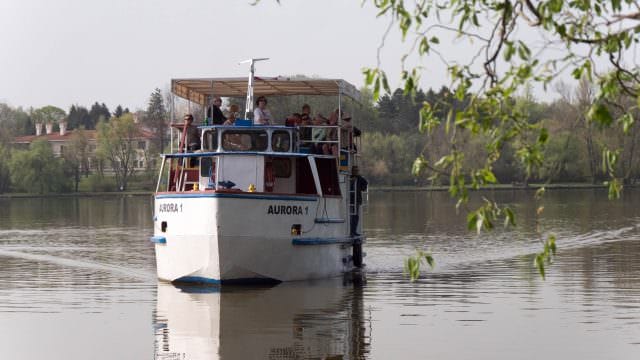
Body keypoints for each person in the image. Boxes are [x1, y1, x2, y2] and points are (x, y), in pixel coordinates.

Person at [349, 166, 368, 236]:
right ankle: (351, 230)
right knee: (350, 215)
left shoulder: (360, 178)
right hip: (349, 199)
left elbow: (366, 183)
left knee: (355, 215)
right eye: (354, 170)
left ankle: (354, 231)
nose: (356, 172)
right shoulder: (349, 177)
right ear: (352, 171)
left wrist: (362, 188)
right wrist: (351, 180)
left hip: (357, 200)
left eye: (357, 170)